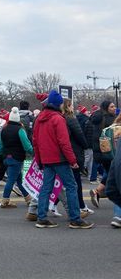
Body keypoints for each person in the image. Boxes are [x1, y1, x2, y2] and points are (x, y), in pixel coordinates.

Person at [32, 90, 93, 229]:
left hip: (46, 159)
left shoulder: (39, 118)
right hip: (59, 159)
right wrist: (73, 160)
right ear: (58, 104)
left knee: (46, 188)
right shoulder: (58, 119)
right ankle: (75, 219)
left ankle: (41, 217)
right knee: (71, 186)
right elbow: (64, 143)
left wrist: (39, 160)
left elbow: (35, 142)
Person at [62, 99, 93, 216]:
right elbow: (79, 135)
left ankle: (50, 205)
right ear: (68, 107)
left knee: (58, 183)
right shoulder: (71, 119)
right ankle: (80, 208)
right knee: (75, 183)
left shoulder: (60, 119)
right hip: (74, 153)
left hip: (61, 154)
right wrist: (86, 145)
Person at [0, 107, 33, 208]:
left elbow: (1, 145)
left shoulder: (3, 129)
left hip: (6, 158)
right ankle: (5, 201)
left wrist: (1, 156)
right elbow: (27, 145)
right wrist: (33, 152)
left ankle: (28, 198)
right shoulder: (20, 130)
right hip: (16, 158)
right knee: (11, 180)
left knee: (19, 180)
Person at [86, 100, 116, 208]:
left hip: (100, 151)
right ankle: (99, 191)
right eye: (112, 106)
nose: (114, 108)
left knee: (110, 172)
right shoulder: (110, 119)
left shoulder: (96, 118)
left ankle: (99, 192)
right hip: (110, 152)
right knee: (112, 173)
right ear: (107, 108)